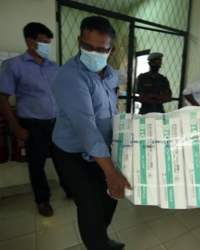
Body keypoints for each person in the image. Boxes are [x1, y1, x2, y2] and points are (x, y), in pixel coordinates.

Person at [51, 16, 130, 250]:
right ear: (79, 41)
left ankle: (102, 239)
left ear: (111, 49)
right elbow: (86, 127)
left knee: (110, 200)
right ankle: (97, 245)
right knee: (90, 208)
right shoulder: (70, 77)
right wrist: (111, 171)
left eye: (100, 49)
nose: (93, 53)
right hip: (73, 153)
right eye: (87, 47)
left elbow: (110, 110)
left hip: (103, 151)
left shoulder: (112, 75)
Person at [0, 22, 70, 217]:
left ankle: (70, 190)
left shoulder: (54, 67)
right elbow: (2, 99)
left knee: (63, 160)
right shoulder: (13, 66)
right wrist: (16, 128)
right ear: (30, 41)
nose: (47, 45)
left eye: (48, 42)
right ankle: (42, 200)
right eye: (42, 41)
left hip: (57, 125)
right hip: (33, 125)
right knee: (36, 165)